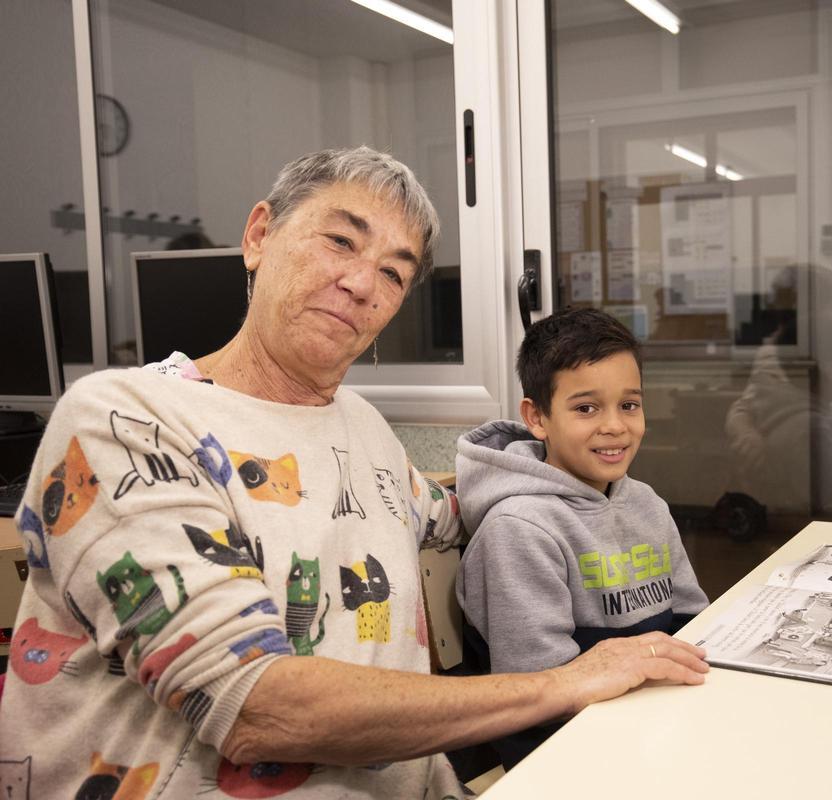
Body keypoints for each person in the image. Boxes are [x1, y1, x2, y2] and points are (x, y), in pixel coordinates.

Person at [0, 148, 707, 798]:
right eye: (340, 240)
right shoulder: (126, 419)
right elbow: (253, 706)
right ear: (258, 237)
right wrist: (565, 682)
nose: (364, 281)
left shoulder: (362, 428)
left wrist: (593, 480)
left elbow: (453, 509)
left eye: (396, 271)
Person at [454, 307, 710, 769]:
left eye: (629, 405)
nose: (614, 425)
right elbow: (540, 693)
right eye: (586, 408)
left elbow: (693, 621)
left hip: (659, 724)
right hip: (568, 754)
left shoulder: (646, 503)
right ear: (537, 417)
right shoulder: (520, 528)